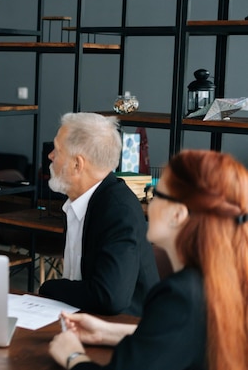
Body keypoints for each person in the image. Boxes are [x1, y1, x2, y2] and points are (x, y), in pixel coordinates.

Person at [49, 149, 248, 370]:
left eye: (155, 193)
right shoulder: (220, 279)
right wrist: (106, 332)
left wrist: (72, 356)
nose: (147, 205)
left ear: (177, 214)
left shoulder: (180, 295)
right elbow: (187, 336)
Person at [38, 112, 158, 316]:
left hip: (125, 332)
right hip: (87, 320)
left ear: (77, 164)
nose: (50, 156)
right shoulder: (82, 200)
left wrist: (48, 288)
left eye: (57, 150)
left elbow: (110, 296)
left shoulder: (118, 210)